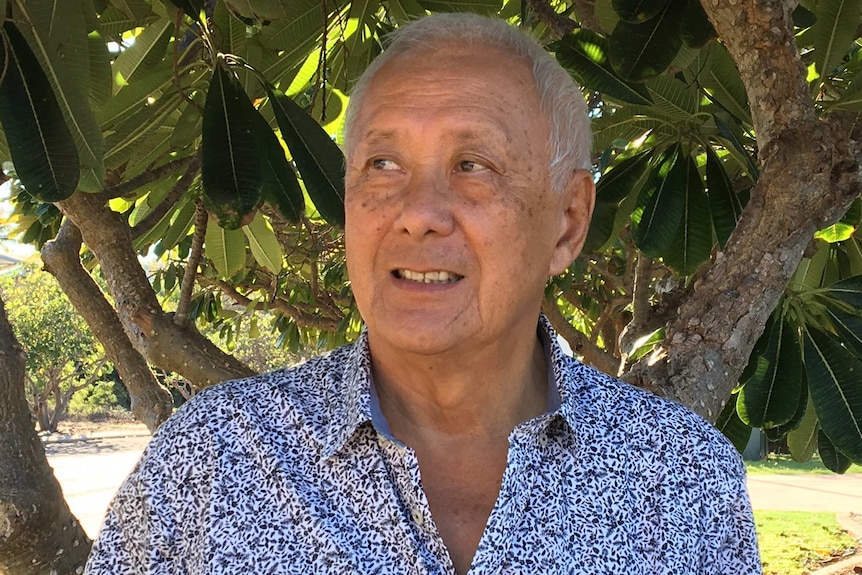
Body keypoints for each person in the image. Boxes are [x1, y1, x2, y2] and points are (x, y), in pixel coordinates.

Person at [85, 13, 761, 575]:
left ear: (569, 221)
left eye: (473, 166)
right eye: (384, 164)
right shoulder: (210, 460)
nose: (419, 211)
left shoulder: (684, 483)